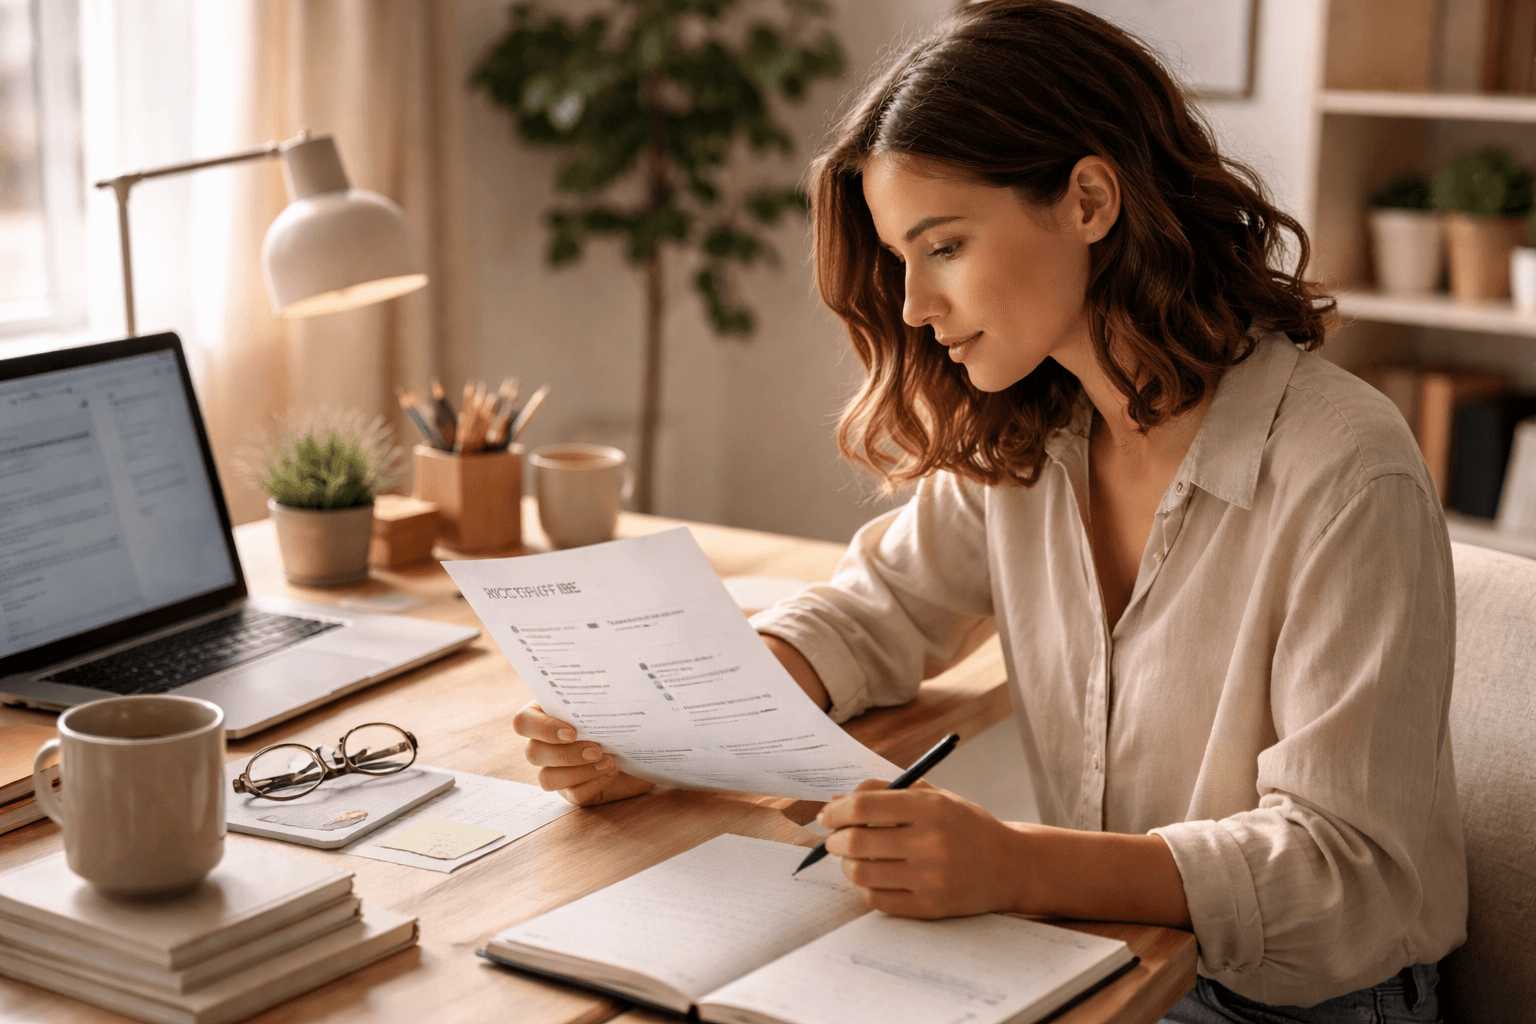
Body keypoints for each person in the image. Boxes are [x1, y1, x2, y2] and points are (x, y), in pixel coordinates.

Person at [512, 2, 1467, 1020]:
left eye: (946, 245)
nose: (915, 305)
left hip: (1297, 1001)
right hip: (1109, 955)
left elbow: (1350, 872)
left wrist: (1015, 865)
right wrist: (663, 728)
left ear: (1090, 199)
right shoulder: (1033, 435)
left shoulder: (1344, 469)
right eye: (900, 259)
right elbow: (873, 611)